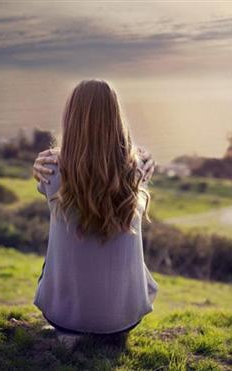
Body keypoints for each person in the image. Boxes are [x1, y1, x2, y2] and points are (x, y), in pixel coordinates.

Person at [31, 79, 158, 338]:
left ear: (71, 119)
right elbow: (131, 158)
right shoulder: (136, 170)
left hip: (64, 319)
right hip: (125, 319)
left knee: (51, 258)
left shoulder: (51, 170)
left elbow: (68, 162)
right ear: (116, 119)